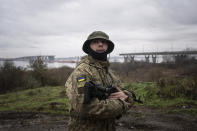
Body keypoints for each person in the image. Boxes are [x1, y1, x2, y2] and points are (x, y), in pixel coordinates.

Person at [65, 31, 134, 131]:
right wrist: (121, 104)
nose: (100, 44)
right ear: (89, 47)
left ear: (108, 47)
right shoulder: (82, 72)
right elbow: (84, 108)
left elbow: (121, 92)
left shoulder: (110, 72)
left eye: (103, 42)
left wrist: (127, 97)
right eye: (95, 42)